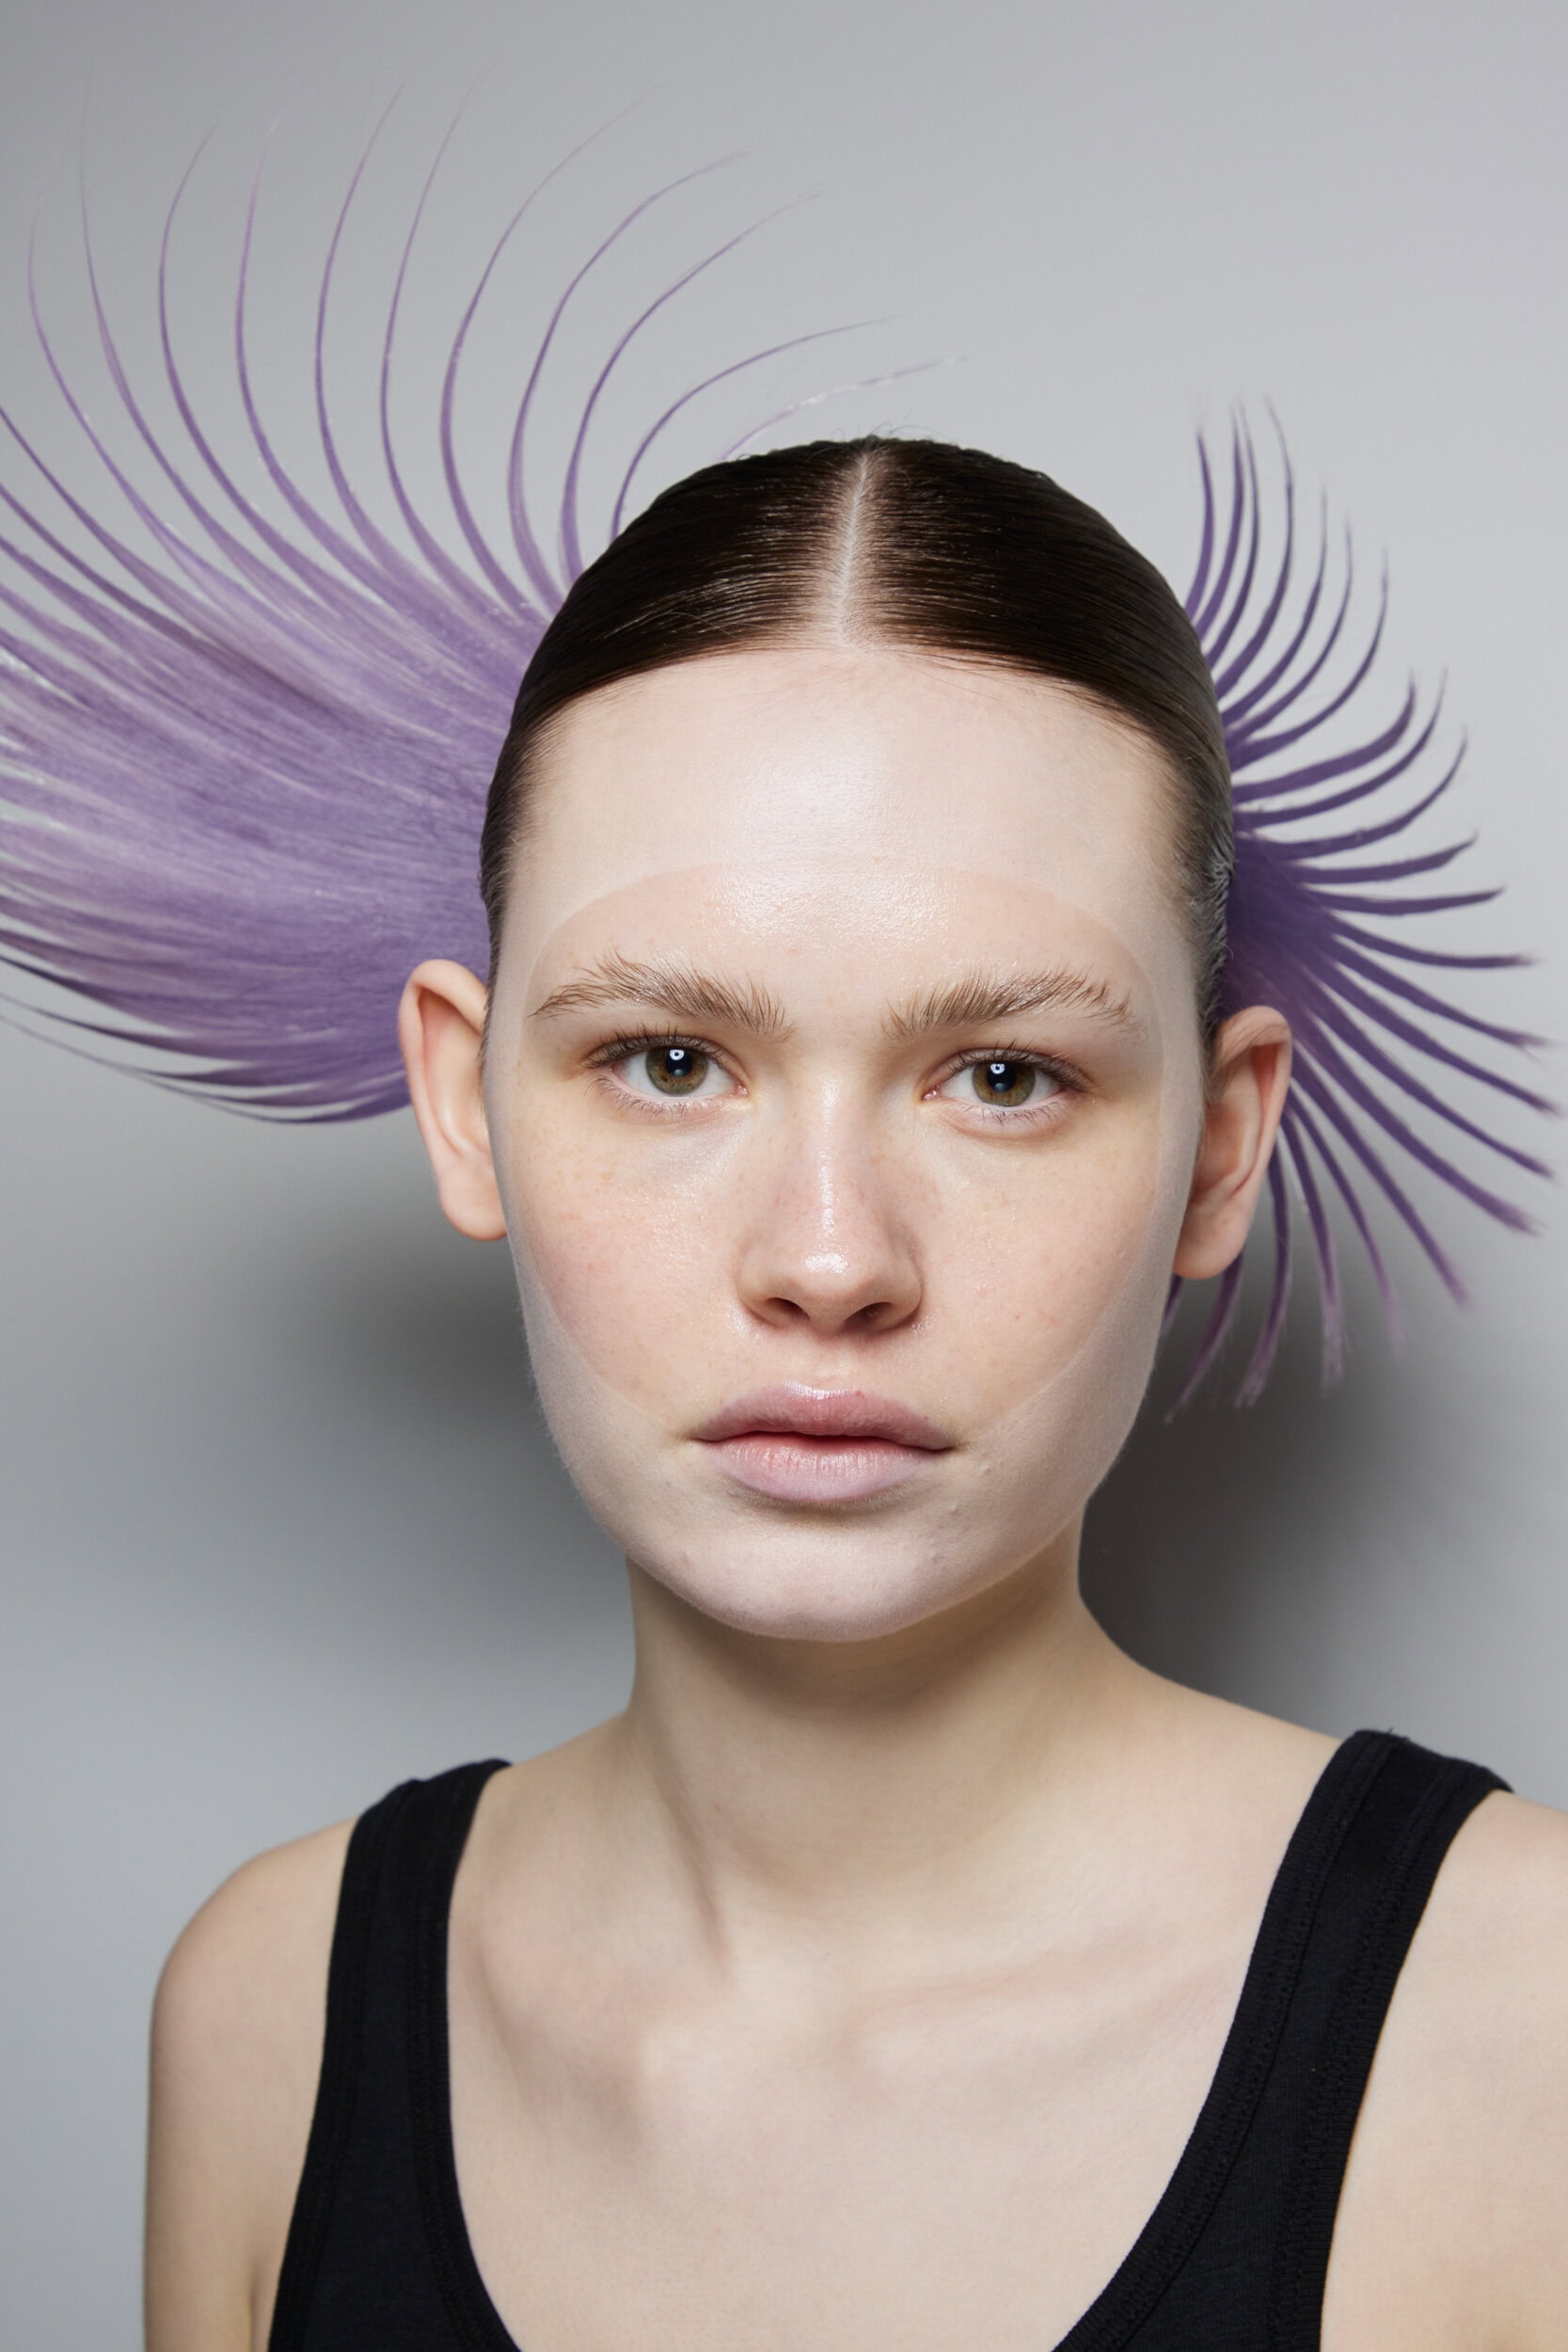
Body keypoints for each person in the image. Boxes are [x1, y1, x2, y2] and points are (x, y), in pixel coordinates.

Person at [137, 437, 1568, 2352]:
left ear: (1221, 1150)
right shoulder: (268, 2015)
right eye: (668, 1059)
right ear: (463, 1105)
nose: (829, 1258)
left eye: (1004, 1077)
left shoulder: (1530, 2032)